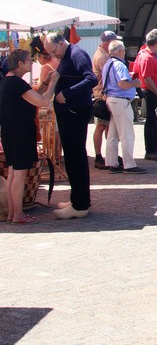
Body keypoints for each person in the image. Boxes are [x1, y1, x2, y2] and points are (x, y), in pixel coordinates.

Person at [45, 32, 98, 220]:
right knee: (72, 157)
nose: (53, 56)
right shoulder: (69, 55)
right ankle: (77, 198)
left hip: (74, 112)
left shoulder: (77, 54)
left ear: (61, 43)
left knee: (76, 157)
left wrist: (67, 93)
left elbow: (91, 79)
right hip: (70, 113)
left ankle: (80, 204)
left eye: (54, 51)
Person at [2, 50, 59, 223]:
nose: (31, 62)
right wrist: (53, 83)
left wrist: (45, 82)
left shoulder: (7, 81)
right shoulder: (17, 83)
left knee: (13, 173)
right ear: (20, 63)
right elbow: (42, 101)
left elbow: (32, 97)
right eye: (28, 60)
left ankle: (12, 214)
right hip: (20, 133)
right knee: (19, 175)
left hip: (10, 131)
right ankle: (18, 215)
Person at [100, 40, 145, 174]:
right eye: (124, 50)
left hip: (112, 99)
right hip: (120, 100)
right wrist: (135, 83)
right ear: (119, 51)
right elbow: (122, 84)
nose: (125, 52)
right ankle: (129, 164)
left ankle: (112, 163)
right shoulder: (119, 64)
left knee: (113, 135)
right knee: (127, 134)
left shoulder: (108, 63)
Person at [132, 29, 157, 161]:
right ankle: (150, 150)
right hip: (152, 92)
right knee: (151, 120)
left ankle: (156, 147)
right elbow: (147, 79)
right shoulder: (146, 57)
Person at [90, 30, 118, 168]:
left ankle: (110, 155)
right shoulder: (102, 57)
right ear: (108, 42)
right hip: (102, 95)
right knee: (102, 126)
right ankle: (99, 156)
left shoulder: (104, 55)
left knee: (106, 126)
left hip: (104, 94)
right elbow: (109, 76)